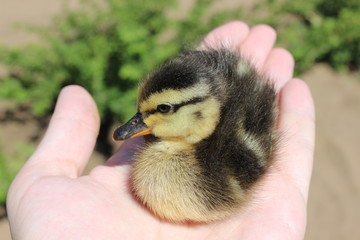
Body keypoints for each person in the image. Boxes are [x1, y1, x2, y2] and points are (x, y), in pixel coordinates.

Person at [6, 21, 315, 239]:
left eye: (162, 110)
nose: (132, 127)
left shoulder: (224, 171)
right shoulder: (218, 172)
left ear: (202, 113)